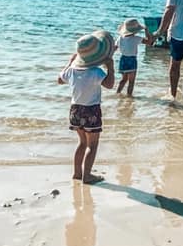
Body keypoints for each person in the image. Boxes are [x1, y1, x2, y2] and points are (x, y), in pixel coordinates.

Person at [58, 30, 115, 184]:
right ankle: (87, 176)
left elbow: (59, 79)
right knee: (93, 144)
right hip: (91, 111)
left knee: (82, 142)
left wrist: (70, 63)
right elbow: (110, 85)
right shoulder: (96, 72)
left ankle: (77, 173)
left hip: (75, 110)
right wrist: (111, 67)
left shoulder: (72, 71)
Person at [116, 18, 154, 96]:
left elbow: (114, 48)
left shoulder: (120, 38)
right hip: (132, 60)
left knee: (123, 79)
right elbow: (149, 42)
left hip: (123, 59)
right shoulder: (136, 38)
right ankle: (129, 96)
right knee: (131, 81)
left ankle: (117, 93)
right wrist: (147, 31)